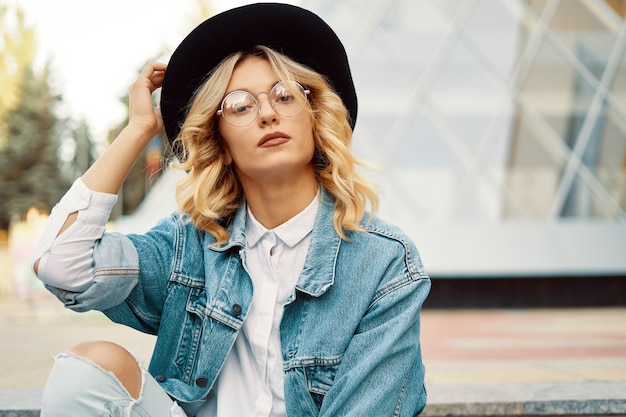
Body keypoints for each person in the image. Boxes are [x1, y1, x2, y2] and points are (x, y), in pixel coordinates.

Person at [31, 3, 431, 416]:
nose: (268, 113)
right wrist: (137, 131)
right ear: (219, 142)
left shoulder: (384, 263)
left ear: (314, 117)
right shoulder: (188, 246)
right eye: (240, 105)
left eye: (286, 95)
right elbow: (63, 267)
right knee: (88, 369)